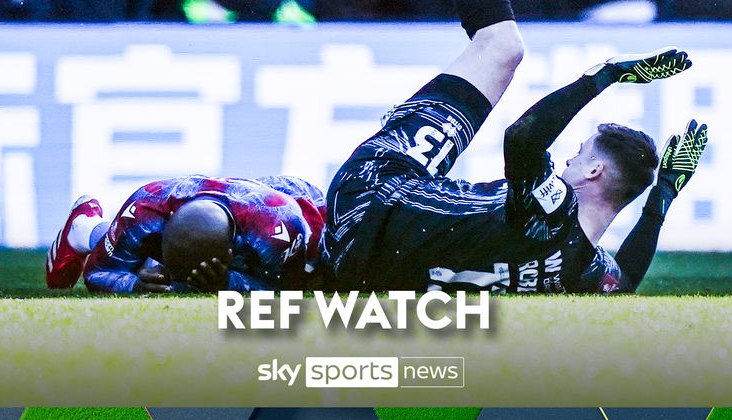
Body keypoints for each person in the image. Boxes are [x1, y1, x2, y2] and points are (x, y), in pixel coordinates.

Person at [320, 0, 706, 293]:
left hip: (372, 194)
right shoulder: (580, 270)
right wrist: (663, 193)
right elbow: (625, 281)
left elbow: (522, 139)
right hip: (365, 269)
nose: (568, 160)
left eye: (580, 153)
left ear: (594, 171)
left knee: (502, 46)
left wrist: (602, 76)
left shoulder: (555, 212)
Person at [46, 175, 326, 293]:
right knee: (130, 253)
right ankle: (84, 226)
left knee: (321, 279)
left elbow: (287, 291)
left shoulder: (278, 231)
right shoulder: (145, 209)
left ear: (230, 254)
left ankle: (85, 229)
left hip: (301, 203)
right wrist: (134, 284)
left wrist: (229, 282)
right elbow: (97, 273)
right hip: (234, 203)